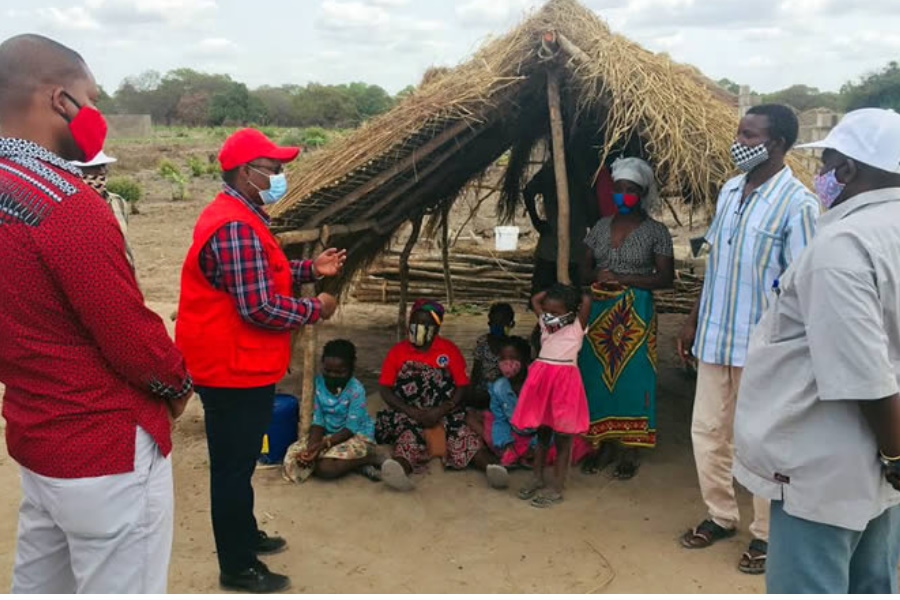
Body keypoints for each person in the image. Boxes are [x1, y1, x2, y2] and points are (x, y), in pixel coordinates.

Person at [0, 34, 192, 594]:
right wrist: (176, 380)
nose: (97, 112)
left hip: (37, 438)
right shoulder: (66, 205)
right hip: (103, 446)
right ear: (61, 100)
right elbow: (128, 334)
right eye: (92, 96)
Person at [733, 108, 900, 593]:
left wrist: (895, 455)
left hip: (825, 467)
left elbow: (862, 375)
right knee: (872, 582)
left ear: (847, 171)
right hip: (874, 470)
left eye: (826, 165)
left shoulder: (843, 247)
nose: (821, 177)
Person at [175, 127, 345, 593]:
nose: (280, 175)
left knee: (241, 459)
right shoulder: (233, 224)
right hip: (230, 369)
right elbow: (259, 305)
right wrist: (317, 308)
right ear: (244, 172)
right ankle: (237, 566)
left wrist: (311, 269)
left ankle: (244, 535)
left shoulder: (241, 215)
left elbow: (257, 271)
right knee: (232, 467)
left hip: (239, 364)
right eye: (273, 169)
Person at [677, 104, 820, 574]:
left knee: (759, 442)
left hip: (762, 347)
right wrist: (694, 317)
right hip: (716, 338)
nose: (737, 140)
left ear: (776, 144)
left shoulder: (798, 204)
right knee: (707, 434)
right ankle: (720, 514)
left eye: (747, 133)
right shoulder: (730, 190)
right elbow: (716, 262)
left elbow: (802, 286)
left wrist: (793, 352)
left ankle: (766, 534)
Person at [579, 157, 674, 480]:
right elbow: (582, 271)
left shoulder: (656, 232)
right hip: (599, 311)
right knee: (597, 375)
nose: (622, 195)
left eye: (630, 189)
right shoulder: (600, 227)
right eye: (618, 189)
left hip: (636, 311)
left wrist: (623, 277)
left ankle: (632, 447)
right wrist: (598, 275)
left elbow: (665, 278)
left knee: (634, 375)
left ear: (642, 192)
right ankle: (603, 443)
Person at [375, 299, 508, 491]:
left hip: (445, 411)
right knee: (407, 437)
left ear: (437, 328)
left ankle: (491, 468)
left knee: (463, 436)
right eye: (415, 323)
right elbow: (385, 389)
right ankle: (399, 469)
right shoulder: (398, 351)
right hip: (408, 413)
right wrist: (412, 411)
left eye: (426, 325)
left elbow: (461, 386)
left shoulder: (449, 350)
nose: (419, 328)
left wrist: (442, 409)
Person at [512, 284, 591, 508]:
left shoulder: (577, 326)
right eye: (547, 312)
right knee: (542, 433)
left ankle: (557, 486)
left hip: (565, 384)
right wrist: (555, 291)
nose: (549, 316)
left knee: (564, 437)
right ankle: (537, 478)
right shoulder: (546, 325)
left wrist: (574, 293)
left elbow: (586, 301)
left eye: (555, 313)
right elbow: (536, 300)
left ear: (570, 312)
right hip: (542, 382)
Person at [283, 340, 383, 483]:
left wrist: (323, 446)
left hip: (354, 435)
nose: (333, 376)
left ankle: (370, 458)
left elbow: (351, 428)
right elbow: (318, 420)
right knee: (294, 459)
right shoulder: (318, 384)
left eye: (339, 372)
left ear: (351, 369)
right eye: (328, 371)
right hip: (327, 435)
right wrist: (312, 449)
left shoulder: (356, 390)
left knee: (325, 468)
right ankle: (355, 464)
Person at [524, 161, 591, 293]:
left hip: (575, 244)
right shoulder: (549, 171)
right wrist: (536, 221)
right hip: (551, 243)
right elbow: (528, 191)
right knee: (543, 291)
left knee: (571, 294)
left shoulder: (584, 171)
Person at [71, 150, 135, 267]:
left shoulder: (118, 202)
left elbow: (125, 246)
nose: (102, 171)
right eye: (95, 167)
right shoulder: (67, 207)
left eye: (104, 167)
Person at [486, 336, 535, 467]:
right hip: (515, 431)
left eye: (513, 358)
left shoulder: (538, 384)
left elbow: (551, 421)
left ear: (525, 360)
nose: (507, 363)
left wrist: (535, 446)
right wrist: (506, 443)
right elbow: (500, 419)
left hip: (541, 435)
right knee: (494, 432)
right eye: (503, 359)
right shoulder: (498, 387)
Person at [467, 302, 516, 409]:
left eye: (502, 323)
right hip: (484, 392)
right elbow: (476, 370)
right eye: (494, 322)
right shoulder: (483, 342)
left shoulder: (514, 347)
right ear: (489, 322)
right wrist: (472, 391)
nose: (498, 326)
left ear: (511, 324)